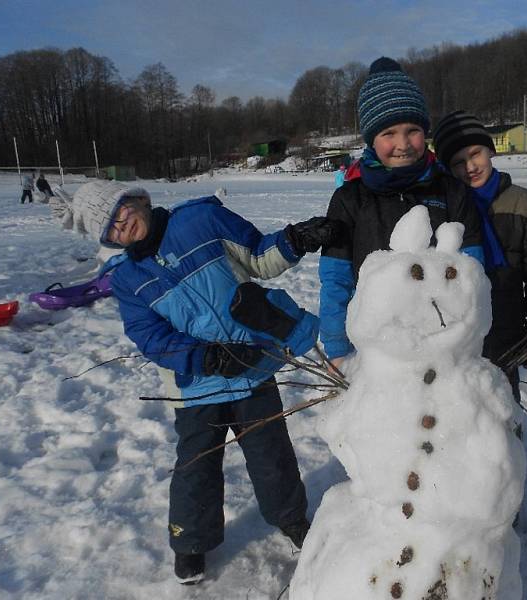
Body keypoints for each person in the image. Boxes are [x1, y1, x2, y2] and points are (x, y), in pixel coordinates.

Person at [58, 180, 340, 585]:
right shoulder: (127, 279)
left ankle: (292, 520)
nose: (122, 227)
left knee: (271, 455)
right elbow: (151, 338)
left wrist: (296, 240)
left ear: (136, 199)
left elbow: (259, 257)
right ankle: (190, 543)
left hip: (253, 369)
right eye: (110, 230)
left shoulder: (201, 220)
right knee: (196, 468)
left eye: (120, 212)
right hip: (195, 387)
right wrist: (205, 357)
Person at [318, 57, 483, 368]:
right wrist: (338, 345)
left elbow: (473, 269)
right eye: (388, 133)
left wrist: (468, 335)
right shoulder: (349, 199)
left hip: (444, 345)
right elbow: (335, 279)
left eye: (413, 130)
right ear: (371, 139)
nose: (403, 144)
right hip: (376, 352)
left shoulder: (451, 191)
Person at [432, 110, 527, 399]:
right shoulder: (441, 207)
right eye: (457, 162)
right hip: (453, 339)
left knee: (503, 422)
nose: (470, 167)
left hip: (506, 333)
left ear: (489, 150)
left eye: (475, 154)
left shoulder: (525, 205)